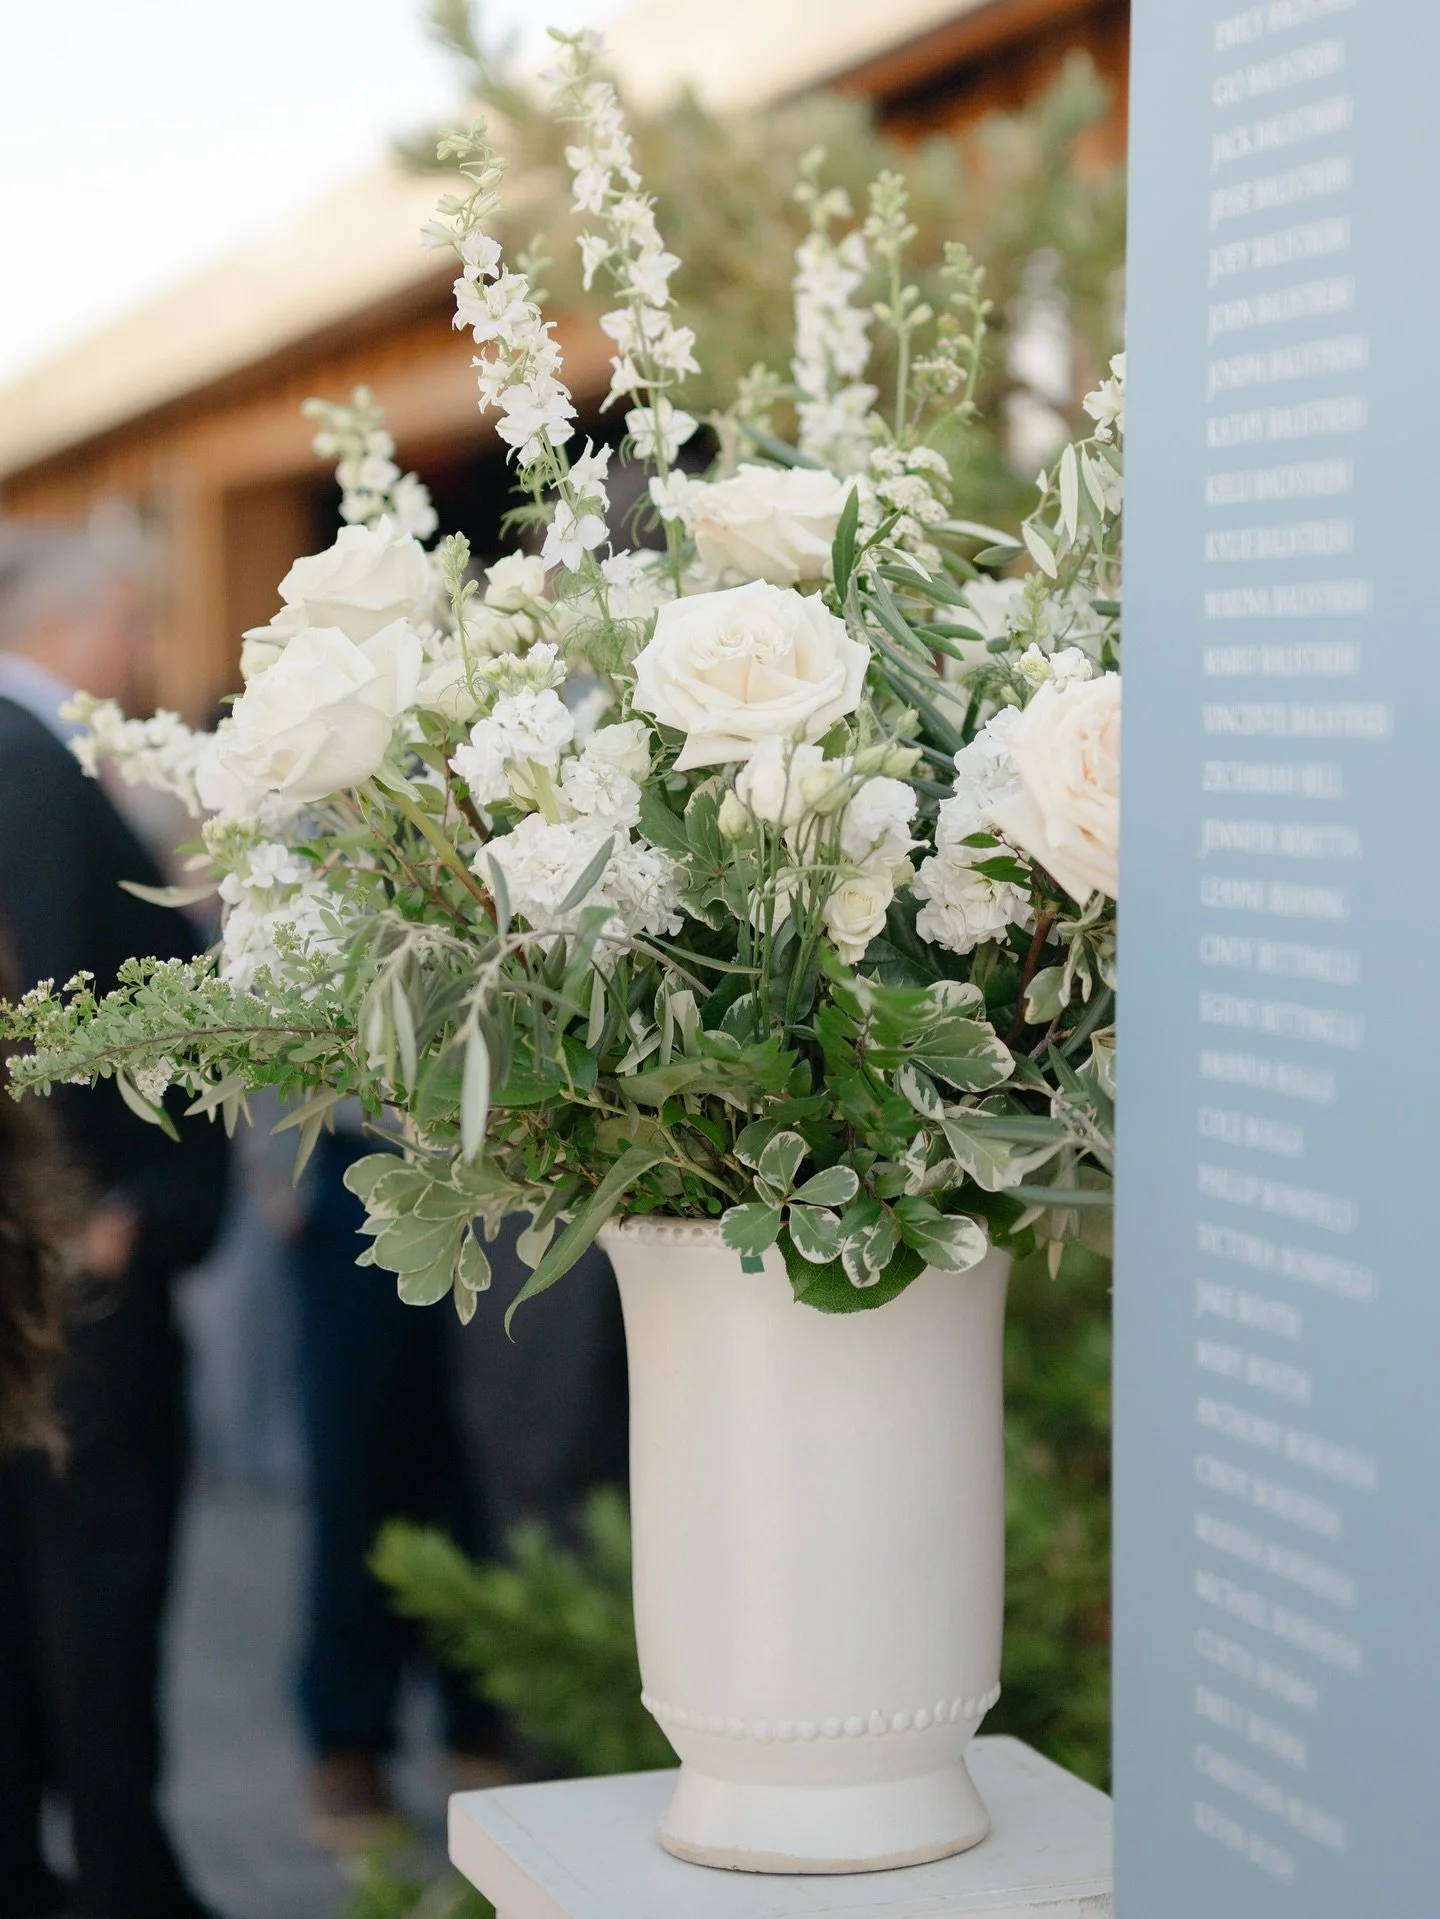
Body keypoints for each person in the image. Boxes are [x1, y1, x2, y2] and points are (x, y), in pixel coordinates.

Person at [0, 522, 230, 1919]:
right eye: (138, 627)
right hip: (70, 1277)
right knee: (96, 1581)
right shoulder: (27, 765)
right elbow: (33, 1016)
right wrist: (87, 1218)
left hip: (54, 1259)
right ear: (87, 622)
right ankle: (124, 1882)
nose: (144, 657)